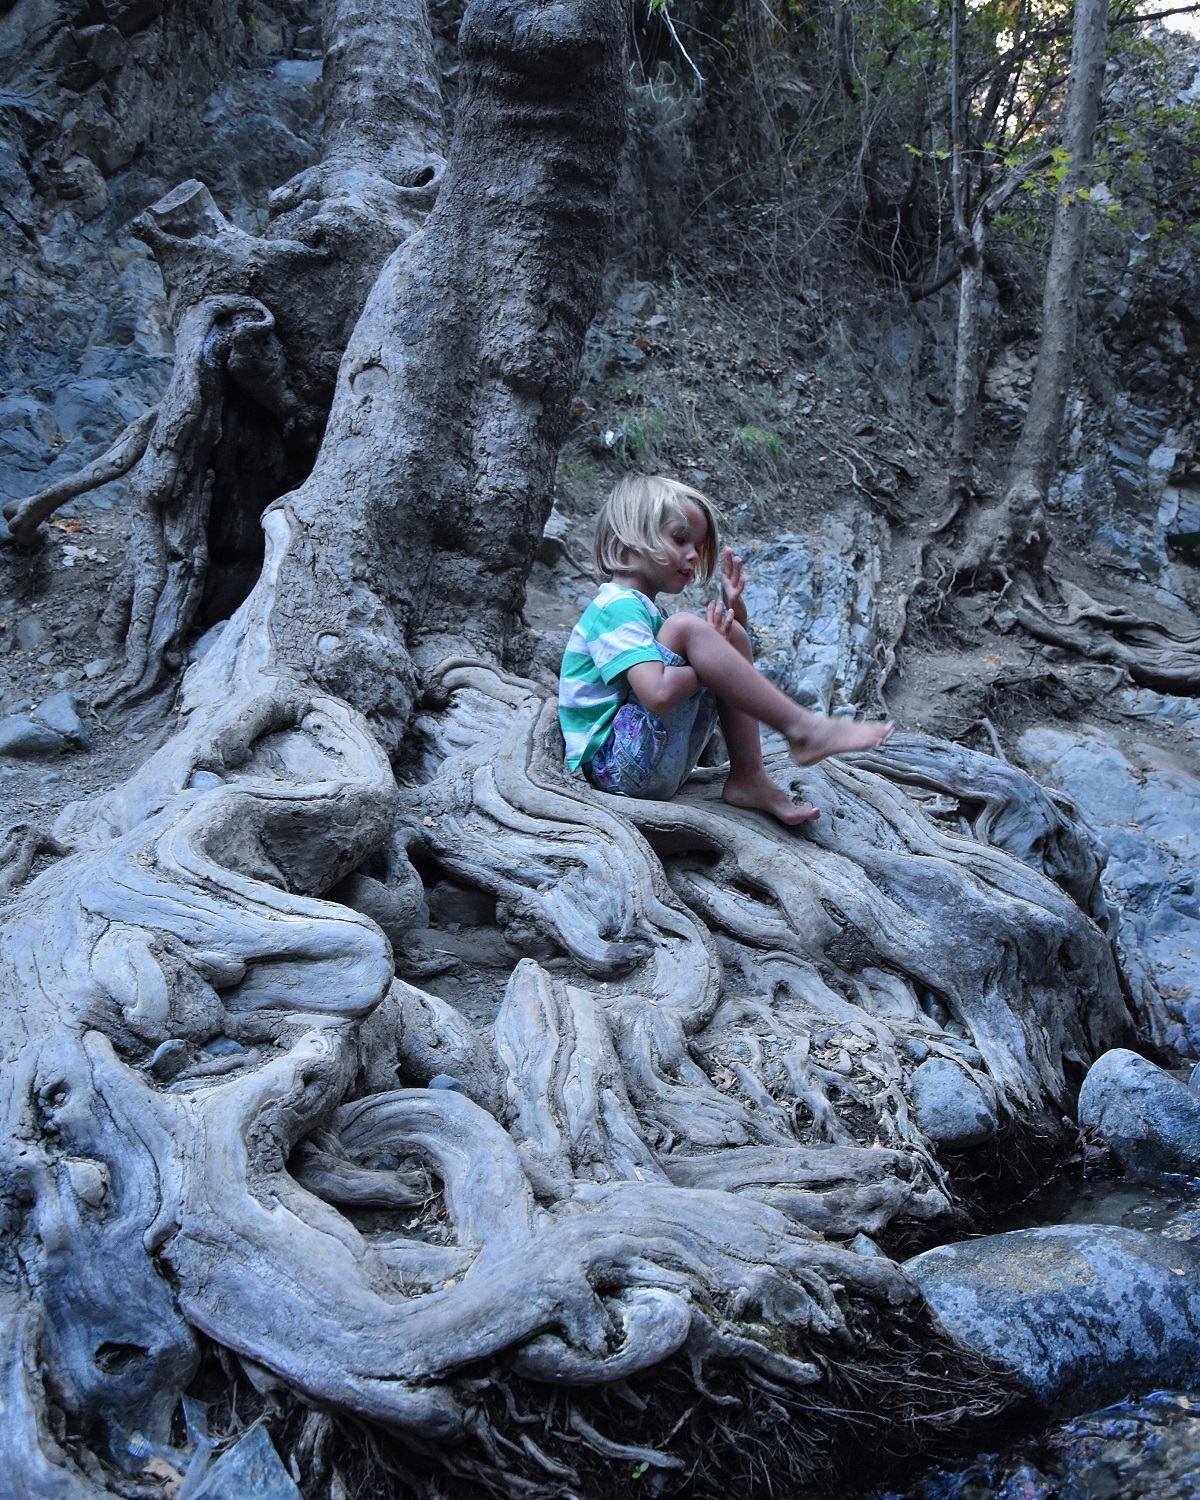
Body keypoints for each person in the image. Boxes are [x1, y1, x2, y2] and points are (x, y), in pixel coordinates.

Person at [558, 474, 893, 823]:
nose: (692, 555)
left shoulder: (646, 615)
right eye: (680, 539)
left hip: (648, 765)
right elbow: (657, 694)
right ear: (631, 534)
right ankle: (802, 729)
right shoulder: (615, 607)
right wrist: (703, 662)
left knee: (728, 634)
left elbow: (732, 678)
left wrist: (734, 620)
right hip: (614, 769)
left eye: (698, 547)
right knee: (688, 627)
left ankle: (749, 776)